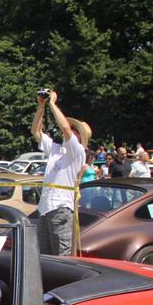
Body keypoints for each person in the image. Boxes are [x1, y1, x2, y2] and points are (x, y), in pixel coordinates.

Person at [31, 90, 90, 256]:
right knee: (44, 254)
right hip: (45, 208)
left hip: (61, 208)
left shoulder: (77, 151)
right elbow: (36, 131)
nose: (69, 131)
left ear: (79, 137)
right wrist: (41, 107)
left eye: (74, 130)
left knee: (61, 256)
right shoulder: (57, 150)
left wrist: (52, 103)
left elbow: (64, 127)